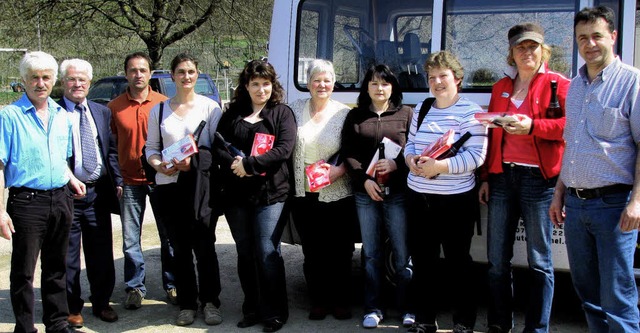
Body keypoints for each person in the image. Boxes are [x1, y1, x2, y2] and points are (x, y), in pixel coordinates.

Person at [549, 6, 640, 333]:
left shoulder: (632, 82)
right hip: (575, 205)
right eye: (582, 38)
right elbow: (572, 146)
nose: (590, 44)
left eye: (597, 36)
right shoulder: (574, 87)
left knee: (617, 295)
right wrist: (559, 194)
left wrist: (637, 202)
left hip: (614, 207)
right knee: (587, 293)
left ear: (612, 37)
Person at [477, 23, 570, 333]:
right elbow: (490, 135)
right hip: (502, 178)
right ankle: (499, 324)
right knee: (497, 261)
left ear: (543, 50)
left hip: (539, 181)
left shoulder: (559, 84)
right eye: (521, 47)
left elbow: (567, 128)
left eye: (533, 47)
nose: (527, 52)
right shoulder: (500, 87)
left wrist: (533, 127)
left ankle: (537, 328)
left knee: (540, 262)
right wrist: (487, 176)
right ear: (512, 54)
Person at [0, 51, 86, 333]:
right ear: (23, 81)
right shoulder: (9, 116)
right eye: (34, 77)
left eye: (46, 77)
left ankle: (57, 323)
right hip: (27, 202)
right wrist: (0, 211)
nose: (40, 83)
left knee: (56, 267)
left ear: (54, 81)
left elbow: (61, 159)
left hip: (61, 198)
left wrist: (71, 177)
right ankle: (25, 327)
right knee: (24, 272)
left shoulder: (62, 115)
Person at [404, 51, 487, 333]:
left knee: (458, 263)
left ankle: (463, 322)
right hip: (418, 198)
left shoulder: (471, 112)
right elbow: (410, 145)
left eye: (443, 76)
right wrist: (410, 161)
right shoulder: (422, 108)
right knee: (424, 262)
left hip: (455, 201)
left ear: (457, 79)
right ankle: (425, 319)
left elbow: (476, 157)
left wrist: (439, 166)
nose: (437, 82)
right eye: (432, 77)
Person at [213, 60, 295, 333]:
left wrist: (250, 165)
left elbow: (283, 149)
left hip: (271, 194)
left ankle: (274, 312)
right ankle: (252, 308)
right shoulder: (233, 113)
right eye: (255, 84)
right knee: (245, 253)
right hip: (237, 196)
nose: (262, 90)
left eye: (266, 84)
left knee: (267, 252)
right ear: (246, 87)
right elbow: (218, 145)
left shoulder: (281, 113)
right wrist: (235, 164)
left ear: (273, 86)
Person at [145, 53, 223, 326]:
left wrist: (193, 163)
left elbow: (217, 151)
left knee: (204, 246)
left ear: (197, 73)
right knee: (179, 248)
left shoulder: (210, 108)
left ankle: (211, 302)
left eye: (191, 71)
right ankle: (188, 303)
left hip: (201, 188)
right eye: (181, 72)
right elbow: (151, 148)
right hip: (168, 186)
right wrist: (158, 165)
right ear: (172, 75)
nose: (186, 77)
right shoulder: (160, 110)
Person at [341, 64, 413, 329]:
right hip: (365, 193)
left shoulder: (406, 114)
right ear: (366, 87)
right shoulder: (356, 116)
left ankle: (408, 308)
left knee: (403, 253)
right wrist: (364, 180)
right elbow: (348, 153)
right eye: (373, 83)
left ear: (393, 86)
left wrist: (398, 165)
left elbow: (415, 149)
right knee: (371, 254)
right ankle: (373, 308)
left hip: (398, 193)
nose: (379, 88)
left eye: (384, 83)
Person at [109, 52, 177, 309]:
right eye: (133, 70)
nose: (138, 74)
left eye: (142, 70)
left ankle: (172, 285)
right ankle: (135, 287)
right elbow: (111, 147)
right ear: (126, 74)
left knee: (168, 236)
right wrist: (116, 178)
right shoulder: (114, 107)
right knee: (130, 239)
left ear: (150, 73)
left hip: (159, 179)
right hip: (128, 182)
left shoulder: (163, 104)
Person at [58, 59, 123, 327]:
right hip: (66, 195)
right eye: (72, 79)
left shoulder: (101, 111)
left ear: (89, 82)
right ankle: (73, 307)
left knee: (101, 253)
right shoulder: (53, 111)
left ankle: (101, 302)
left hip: (97, 194)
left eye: (83, 79)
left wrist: (118, 180)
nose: (78, 84)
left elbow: (109, 150)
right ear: (63, 82)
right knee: (68, 257)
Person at [288, 59, 355, 321]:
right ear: (308, 84)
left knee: (340, 250)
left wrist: (339, 170)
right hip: (304, 193)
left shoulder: (344, 113)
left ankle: (340, 301)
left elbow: (353, 149)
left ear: (334, 83)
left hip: (337, 192)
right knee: (312, 252)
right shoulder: (293, 109)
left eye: (327, 80)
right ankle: (319, 301)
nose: (322, 85)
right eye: (316, 80)